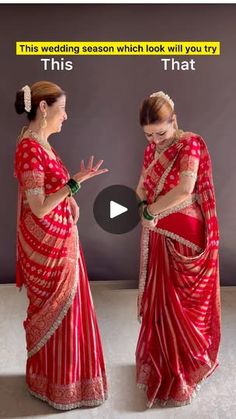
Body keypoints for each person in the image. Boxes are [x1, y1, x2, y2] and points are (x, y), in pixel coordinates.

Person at [14, 81, 108, 410]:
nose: (66, 116)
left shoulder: (43, 144)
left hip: (61, 238)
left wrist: (70, 198)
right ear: (43, 108)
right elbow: (38, 207)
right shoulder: (29, 147)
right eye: (62, 109)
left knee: (71, 312)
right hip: (46, 246)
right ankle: (57, 385)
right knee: (60, 313)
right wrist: (74, 183)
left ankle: (72, 382)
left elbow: (51, 194)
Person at [135, 91, 221, 407]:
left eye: (161, 132)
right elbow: (141, 187)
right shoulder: (152, 150)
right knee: (162, 307)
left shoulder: (190, 144)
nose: (155, 140)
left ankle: (186, 370)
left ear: (174, 119)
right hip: (159, 228)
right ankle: (165, 366)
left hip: (186, 231)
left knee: (185, 306)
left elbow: (186, 189)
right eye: (148, 134)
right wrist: (146, 204)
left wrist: (150, 209)